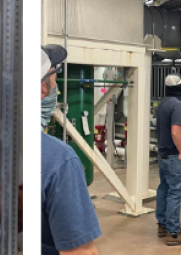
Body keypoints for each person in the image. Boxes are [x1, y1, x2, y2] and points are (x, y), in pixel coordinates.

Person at [40, 46, 102, 255]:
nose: (56, 89)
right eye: (55, 80)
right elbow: (81, 253)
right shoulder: (59, 159)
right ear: (42, 90)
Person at [155, 73, 181, 246]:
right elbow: (175, 131)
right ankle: (174, 233)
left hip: (162, 154)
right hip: (173, 155)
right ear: (179, 87)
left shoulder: (162, 103)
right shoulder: (177, 105)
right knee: (175, 192)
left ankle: (162, 226)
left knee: (163, 189)